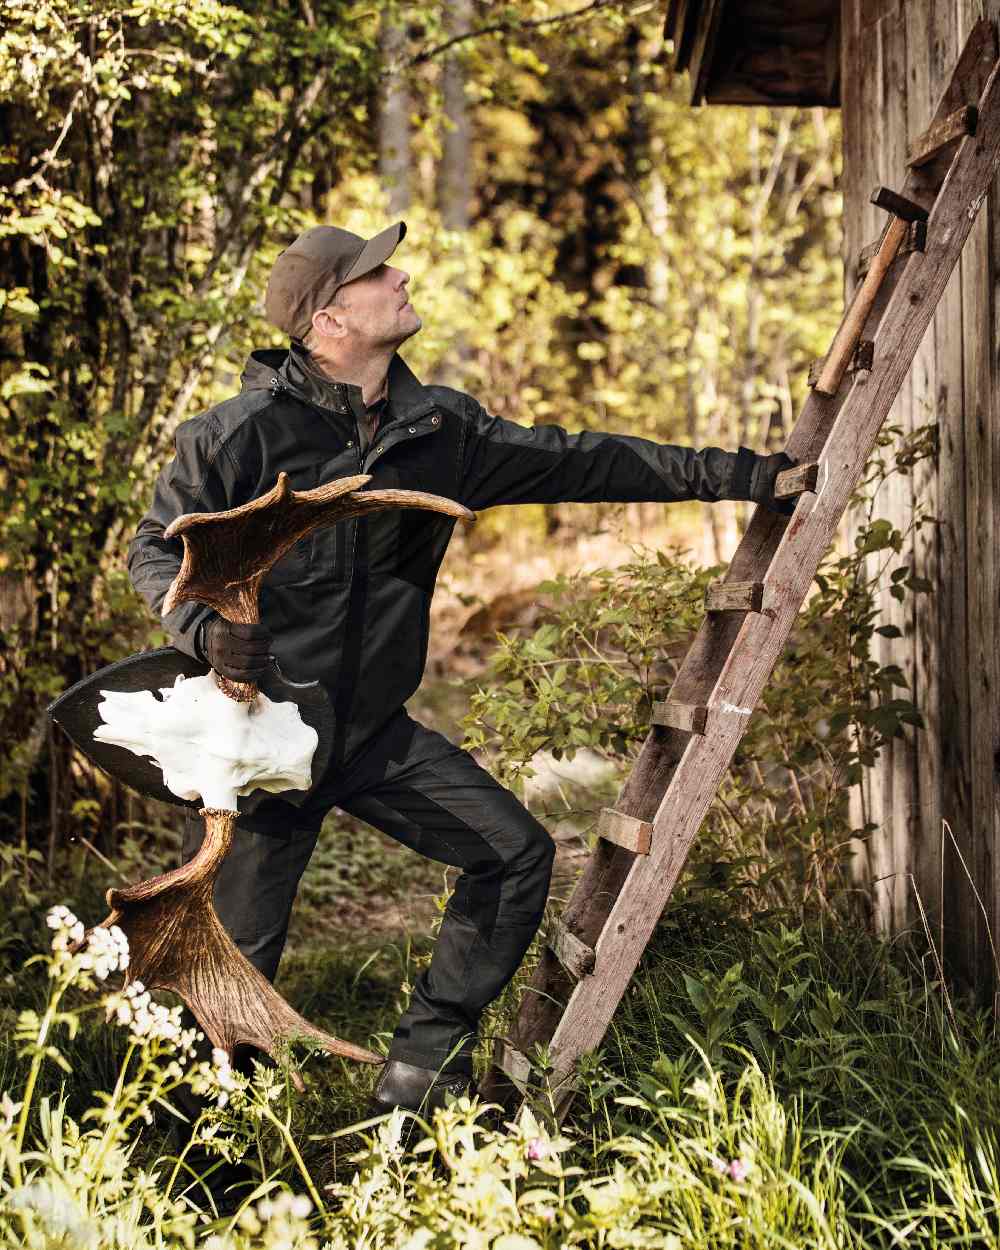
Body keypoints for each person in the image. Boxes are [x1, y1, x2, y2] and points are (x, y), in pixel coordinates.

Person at [128, 220, 797, 1127]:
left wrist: (743, 473)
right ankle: (189, 1159)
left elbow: (583, 460)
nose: (400, 275)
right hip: (256, 748)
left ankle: (416, 1079)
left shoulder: (436, 427)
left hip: (370, 737)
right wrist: (208, 632)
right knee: (230, 971)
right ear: (330, 316)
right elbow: (153, 552)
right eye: (378, 271)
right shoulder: (235, 437)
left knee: (514, 856)